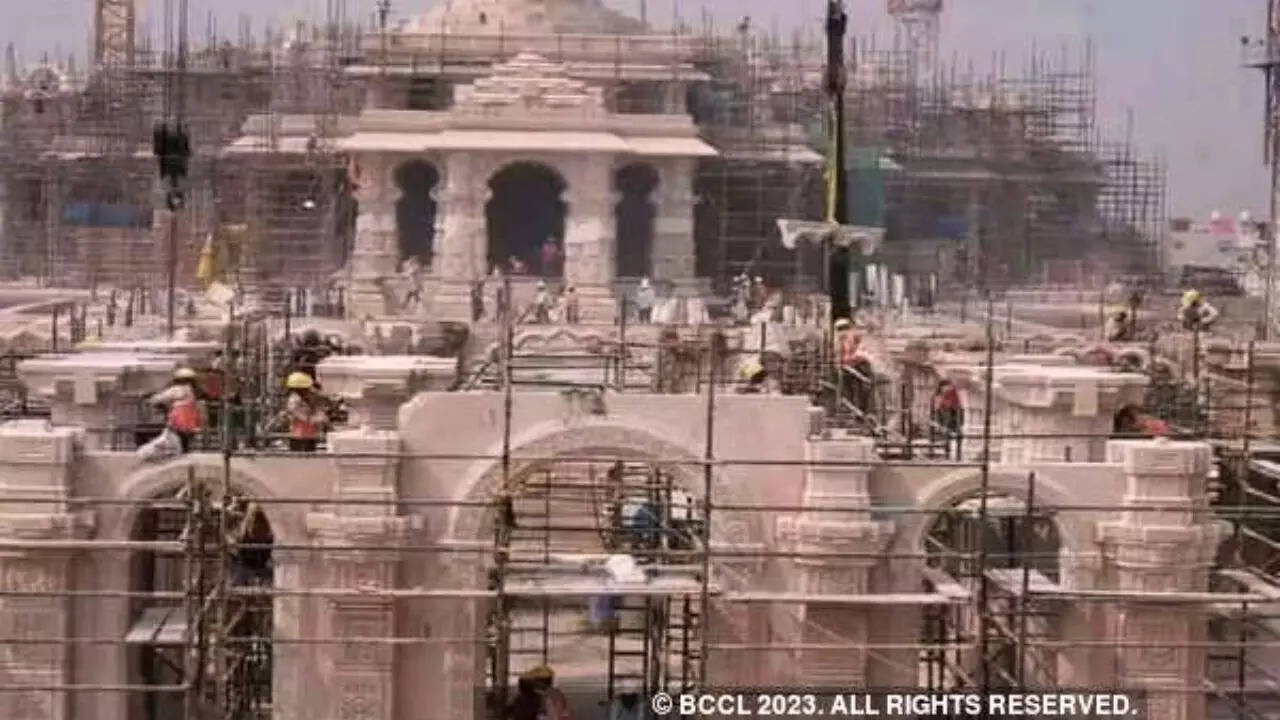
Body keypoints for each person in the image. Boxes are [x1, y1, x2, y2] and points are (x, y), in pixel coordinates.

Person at [149, 368, 203, 453]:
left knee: (176, 430)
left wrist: (153, 398)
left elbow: (163, 397)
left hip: (179, 412)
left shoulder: (177, 389)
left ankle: (176, 447)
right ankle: (183, 447)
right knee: (184, 432)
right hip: (189, 413)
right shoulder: (191, 389)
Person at [284, 372, 328, 452]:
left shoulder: (303, 399)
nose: (309, 390)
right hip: (300, 436)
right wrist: (316, 419)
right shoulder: (294, 400)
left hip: (308, 435)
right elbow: (298, 415)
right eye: (307, 388)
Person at [931, 379, 964, 459]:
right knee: (946, 413)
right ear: (941, 387)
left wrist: (959, 424)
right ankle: (947, 453)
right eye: (946, 387)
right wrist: (939, 424)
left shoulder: (953, 395)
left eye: (949, 387)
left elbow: (959, 409)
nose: (948, 389)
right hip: (942, 420)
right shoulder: (937, 397)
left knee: (958, 433)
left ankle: (957, 455)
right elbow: (936, 411)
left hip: (953, 420)